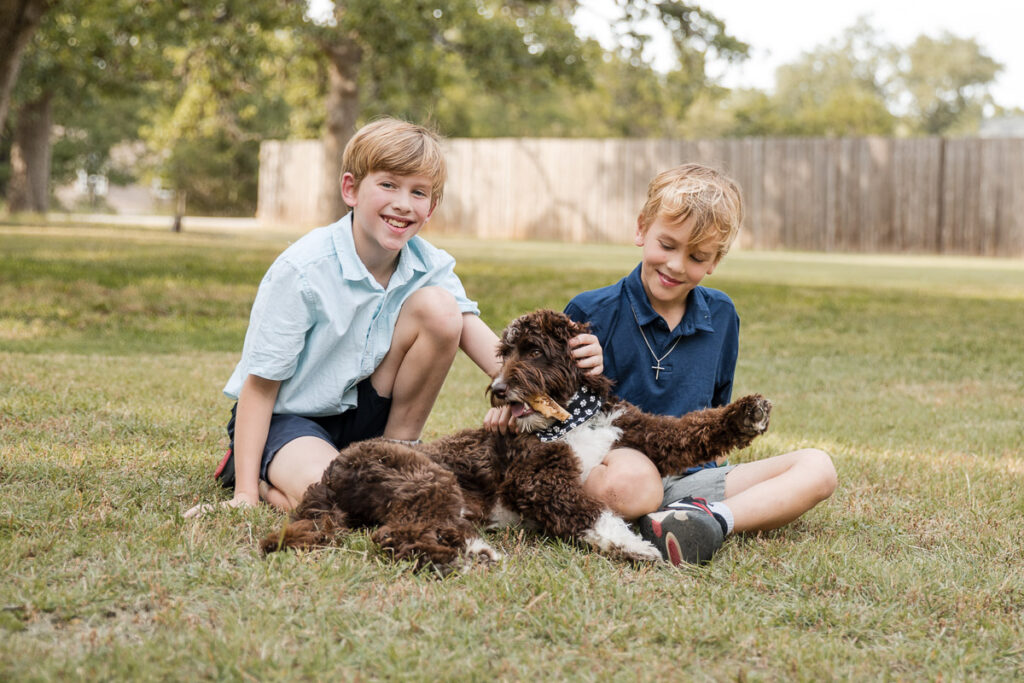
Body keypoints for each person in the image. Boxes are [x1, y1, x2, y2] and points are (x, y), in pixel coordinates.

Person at [185, 117, 603, 518]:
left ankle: (399, 452)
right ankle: (256, 478)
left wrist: (562, 396)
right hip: (289, 418)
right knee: (339, 495)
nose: (403, 204)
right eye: (388, 185)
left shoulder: (429, 264)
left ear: (432, 207)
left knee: (441, 311)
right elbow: (259, 388)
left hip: (364, 412)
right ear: (351, 189)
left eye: (419, 193)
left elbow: (493, 356)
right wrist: (245, 498)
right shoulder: (303, 271)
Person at [563, 163, 838, 565]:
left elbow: (715, 409)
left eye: (697, 256)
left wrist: (715, 477)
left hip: (691, 480)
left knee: (819, 468)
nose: (676, 265)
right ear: (642, 229)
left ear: (715, 261)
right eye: (668, 245)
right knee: (631, 485)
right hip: (620, 469)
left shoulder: (722, 315)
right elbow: (555, 413)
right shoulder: (592, 311)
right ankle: (651, 515)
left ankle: (708, 522)